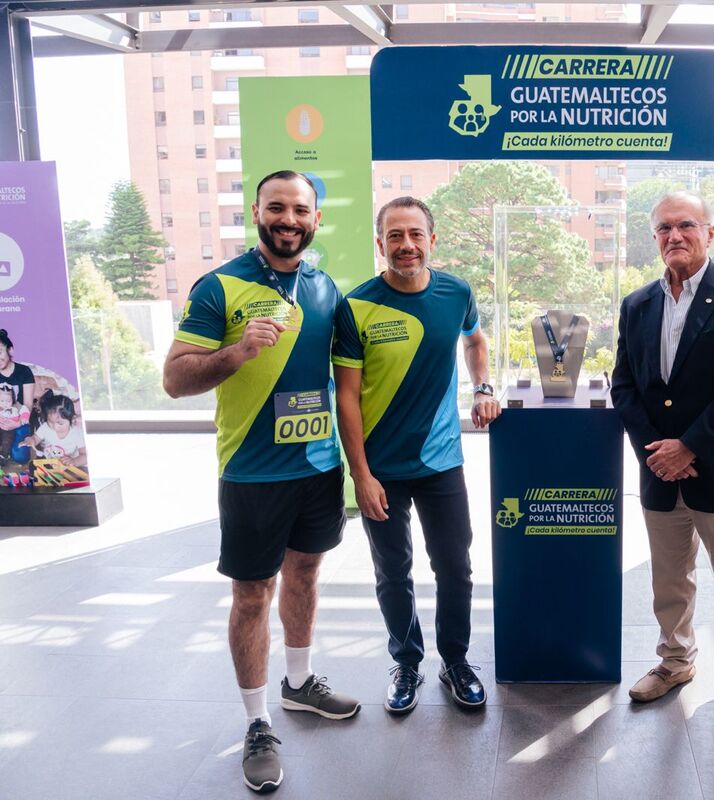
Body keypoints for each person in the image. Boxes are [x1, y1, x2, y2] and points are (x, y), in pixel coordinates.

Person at [163, 170, 360, 794]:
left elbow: (347, 381)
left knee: (306, 574)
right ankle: (256, 723)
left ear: (315, 219)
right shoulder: (219, 287)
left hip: (317, 467)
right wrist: (237, 352)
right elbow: (175, 379)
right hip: (251, 472)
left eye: (300, 209)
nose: (288, 219)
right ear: (257, 212)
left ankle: (299, 684)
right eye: (277, 207)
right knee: (253, 595)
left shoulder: (327, 288)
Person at [611, 191, 714, 731]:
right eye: (663, 228)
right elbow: (625, 385)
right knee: (669, 581)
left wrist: (690, 447)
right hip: (660, 474)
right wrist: (658, 453)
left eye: (686, 225)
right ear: (653, 236)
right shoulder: (637, 303)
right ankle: (676, 662)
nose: (674, 236)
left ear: (710, 232)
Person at [333, 196, 500, 717]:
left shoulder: (456, 292)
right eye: (395, 236)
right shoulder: (355, 306)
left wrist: (483, 386)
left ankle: (455, 660)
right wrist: (360, 474)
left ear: (432, 239)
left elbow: (475, 342)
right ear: (380, 243)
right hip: (380, 467)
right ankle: (406, 661)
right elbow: (346, 397)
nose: (406, 245)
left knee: (455, 565)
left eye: (415, 235)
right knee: (393, 570)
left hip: (442, 461)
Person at [21, 390, 86, 466]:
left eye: (60, 423)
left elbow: (84, 455)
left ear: (72, 419)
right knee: (33, 466)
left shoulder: (77, 434)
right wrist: (31, 440)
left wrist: (74, 461)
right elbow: (36, 438)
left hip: (67, 466)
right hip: (49, 462)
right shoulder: (45, 427)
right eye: (51, 422)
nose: (55, 427)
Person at [0, 329, 35, 463]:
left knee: (20, 457)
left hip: (19, 418)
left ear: (10, 350)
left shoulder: (24, 371)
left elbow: (28, 403)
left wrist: (18, 422)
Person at [0, 383, 30, 464]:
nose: (5, 403)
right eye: (2, 401)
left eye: (8, 401)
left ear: (13, 398)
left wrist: (24, 417)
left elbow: (25, 410)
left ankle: (4, 456)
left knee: (7, 441)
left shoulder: (16, 406)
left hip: (10, 429)